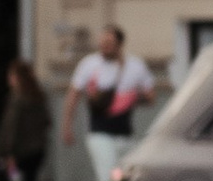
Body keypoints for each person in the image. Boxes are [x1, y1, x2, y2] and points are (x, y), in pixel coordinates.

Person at [62, 23, 151, 165]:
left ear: (120, 44)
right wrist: (67, 126)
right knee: (108, 177)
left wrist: (131, 98)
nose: (104, 47)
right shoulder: (89, 64)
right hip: (99, 131)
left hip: (125, 132)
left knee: (125, 178)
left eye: (109, 43)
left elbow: (150, 97)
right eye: (102, 43)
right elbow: (74, 95)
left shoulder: (135, 65)